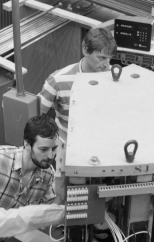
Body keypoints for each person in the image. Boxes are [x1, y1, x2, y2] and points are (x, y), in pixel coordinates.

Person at [37, 27, 117, 196]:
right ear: (85, 50)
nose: (106, 65)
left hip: (103, 149)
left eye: (109, 59)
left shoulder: (112, 78)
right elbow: (36, 117)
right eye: (101, 57)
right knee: (70, 196)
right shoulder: (59, 80)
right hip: (69, 152)